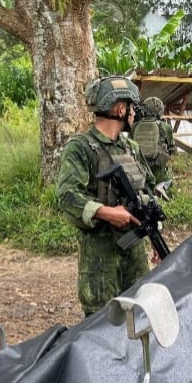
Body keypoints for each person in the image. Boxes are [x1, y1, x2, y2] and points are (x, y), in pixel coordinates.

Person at [56, 75, 156, 316]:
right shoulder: (81, 148)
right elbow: (67, 196)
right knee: (102, 328)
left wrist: (154, 237)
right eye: (132, 107)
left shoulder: (130, 148)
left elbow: (149, 189)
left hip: (135, 255)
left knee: (140, 318)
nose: (135, 113)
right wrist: (108, 213)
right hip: (101, 260)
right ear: (120, 109)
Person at [131, 95, 176, 185]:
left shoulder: (135, 126)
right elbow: (171, 149)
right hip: (158, 172)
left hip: (139, 170)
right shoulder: (165, 127)